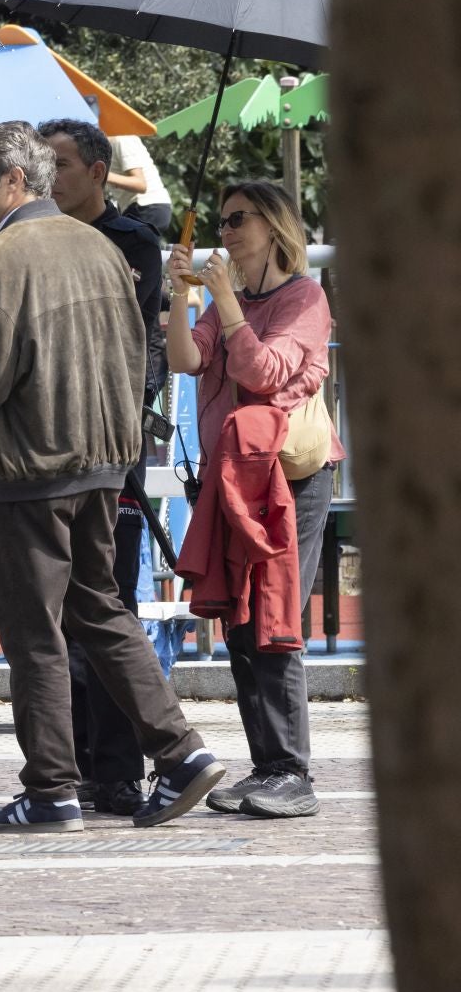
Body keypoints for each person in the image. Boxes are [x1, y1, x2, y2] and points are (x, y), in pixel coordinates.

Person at [0, 121, 226, 832]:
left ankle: (52, 788)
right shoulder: (99, 246)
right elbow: (140, 357)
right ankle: (181, 751)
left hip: (33, 466)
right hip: (103, 462)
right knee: (99, 608)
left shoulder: (2, 255)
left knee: (35, 631)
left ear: (12, 181)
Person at [167, 180, 342, 819]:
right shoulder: (227, 299)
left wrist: (223, 303)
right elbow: (188, 360)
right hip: (234, 477)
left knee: (275, 619)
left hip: (289, 479)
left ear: (272, 226)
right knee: (240, 621)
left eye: (239, 219)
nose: (228, 230)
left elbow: (265, 373)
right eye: (223, 220)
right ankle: (268, 766)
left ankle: (292, 772)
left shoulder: (306, 298)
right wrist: (186, 297)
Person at [42, 117, 169, 815]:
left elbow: (136, 344)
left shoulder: (133, 243)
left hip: (111, 453)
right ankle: (74, 762)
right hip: (44, 453)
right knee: (53, 622)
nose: (49, 175)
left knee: (105, 608)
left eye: (59, 162)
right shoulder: (30, 238)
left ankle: (119, 768)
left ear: (97, 170)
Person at [105, 133, 172, 238]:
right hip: (141, 208)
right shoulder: (108, 147)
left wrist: (103, 174)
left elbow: (140, 184)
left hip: (147, 207)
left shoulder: (122, 140)